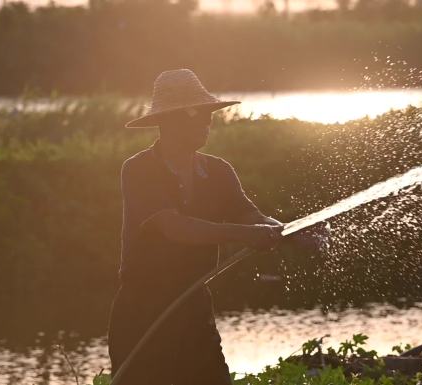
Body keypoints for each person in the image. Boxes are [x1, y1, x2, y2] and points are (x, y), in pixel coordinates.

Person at [106, 68, 287, 385]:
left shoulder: (218, 171)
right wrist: (246, 235)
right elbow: (177, 228)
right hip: (143, 312)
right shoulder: (139, 170)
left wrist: (286, 231)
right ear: (171, 121)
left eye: (209, 114)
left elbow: (249, 215)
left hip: (193, 307)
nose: (208, 121)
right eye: (198, 114)